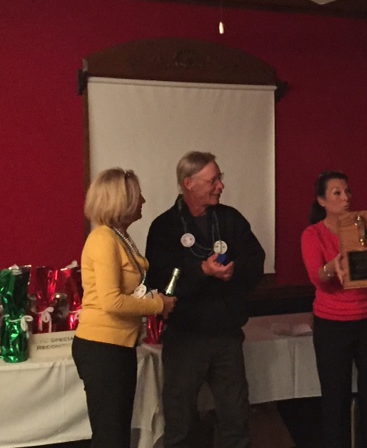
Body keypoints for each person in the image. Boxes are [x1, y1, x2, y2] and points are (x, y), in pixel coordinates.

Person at [145, 151, 265, 448]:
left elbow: (255, 260)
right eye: (213, 180)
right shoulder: (165, 227)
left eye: (219, 179)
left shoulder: (230, 219)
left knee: (235, 418)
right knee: (181, 421)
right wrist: (201, 271)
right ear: (189, 183)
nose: (220, 186)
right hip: (185, 337)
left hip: (226, 335)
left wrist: (235, 270)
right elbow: (162, 282)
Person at [72, 168, 177, 448]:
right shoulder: (104, 239)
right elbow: (112, 301)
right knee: (110, 437)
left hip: (118, 346)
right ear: (123, 201)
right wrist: (158, 304)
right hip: (102, 347)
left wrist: (152, 298)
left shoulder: (118, 237)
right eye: (137, 195)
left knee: (117, 434)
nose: (143, 200)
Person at [300, 170, 367, 448]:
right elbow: (317, 278)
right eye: (337, 193)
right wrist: (332, 266)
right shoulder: (313, 234)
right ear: (322, 201)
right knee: (335, 400)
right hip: (332, 325)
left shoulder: (365, 226)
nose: (346, 198)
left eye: (348, 191)